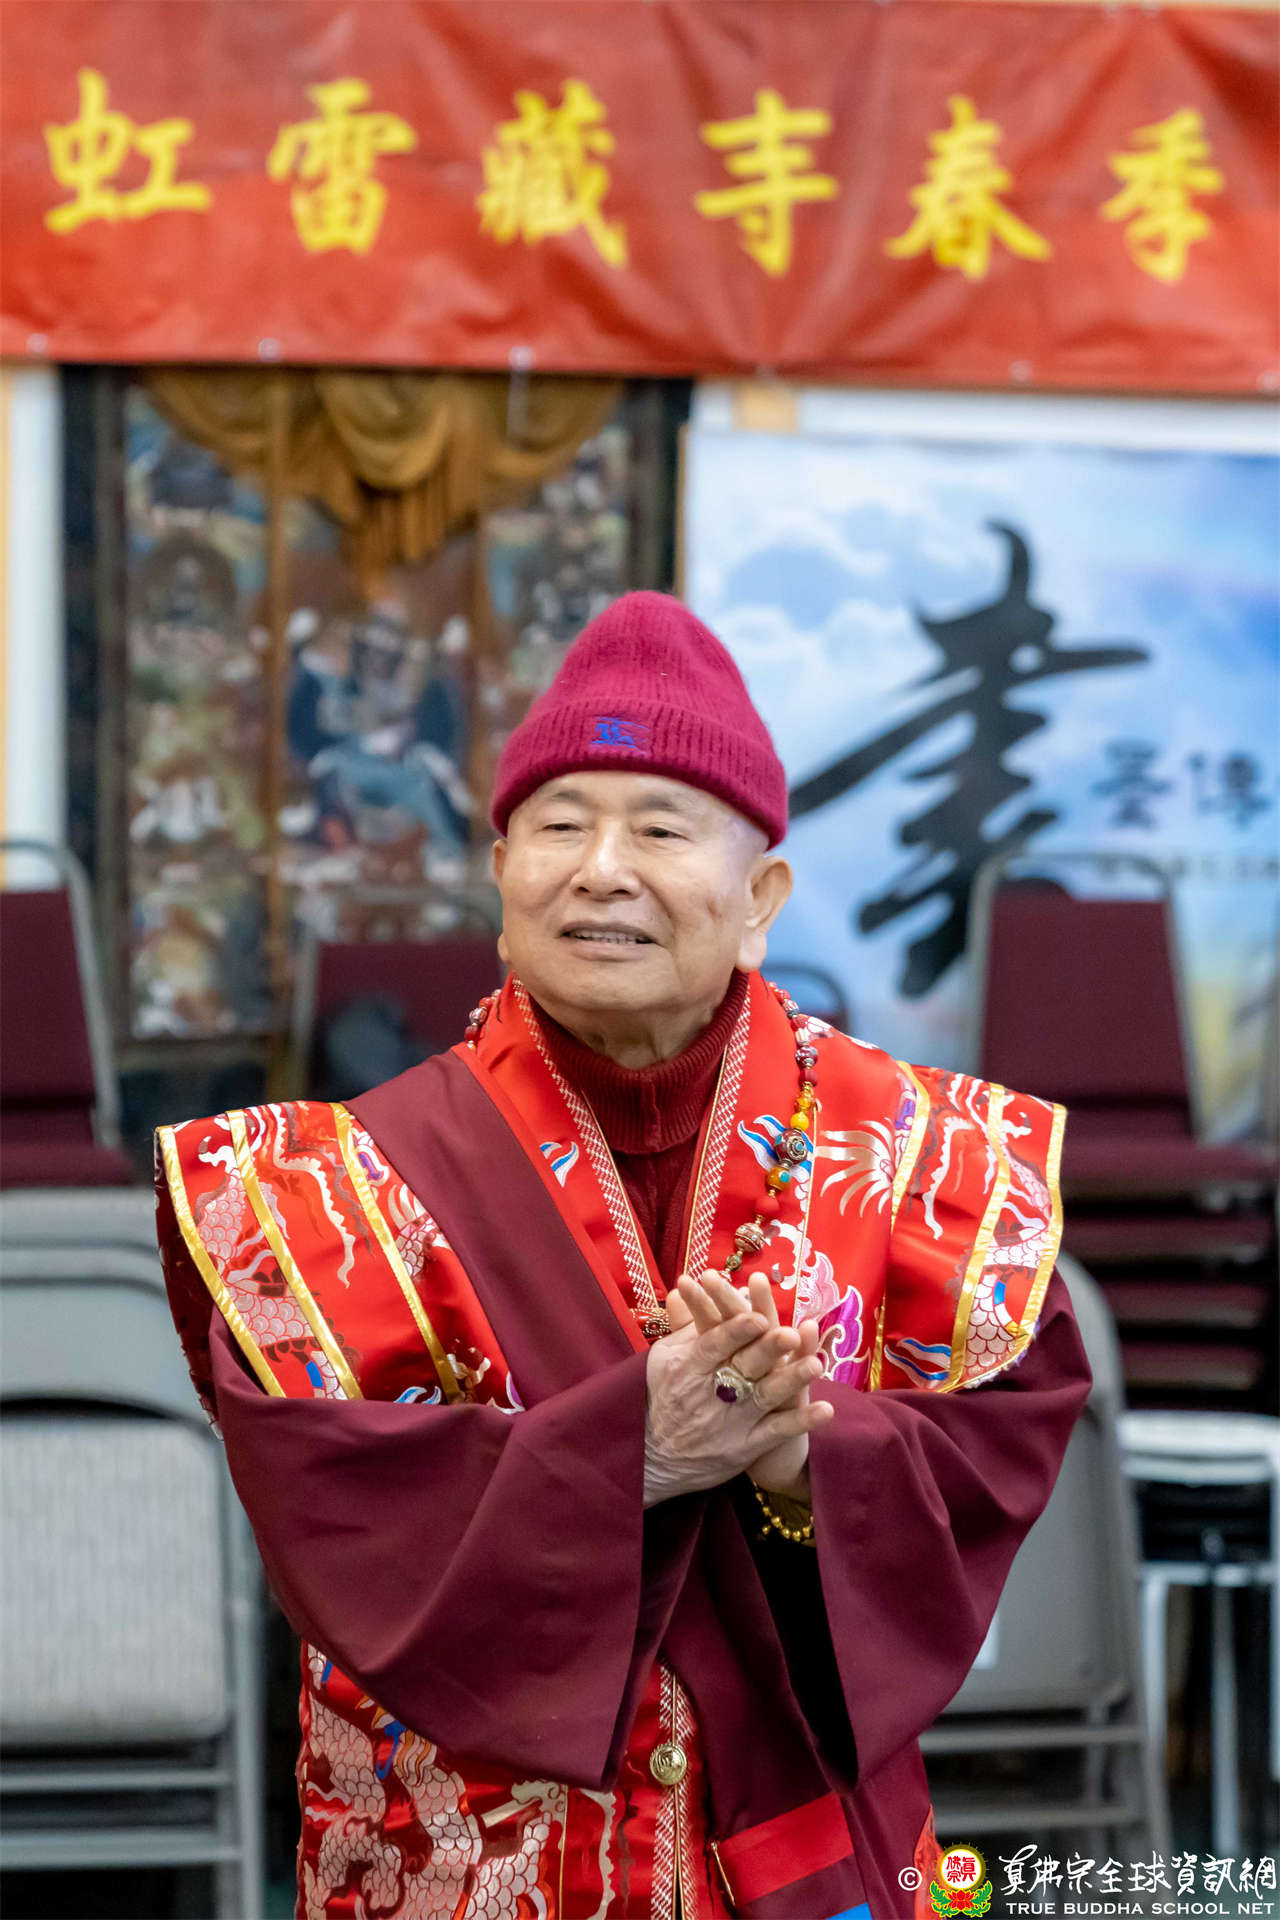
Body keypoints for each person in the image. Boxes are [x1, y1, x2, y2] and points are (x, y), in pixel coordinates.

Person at [155, 591, 1091, 1920]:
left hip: (809, 1856)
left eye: (659, 828)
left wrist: (801, 1461)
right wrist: (632, 1453)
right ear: (501, 883)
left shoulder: (924, 1158)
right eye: (559, 826)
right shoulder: (335, 1185)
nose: (602, 869)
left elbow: (995, 1455)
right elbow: (333, 1511)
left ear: (759, 898)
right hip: (459, 1864)